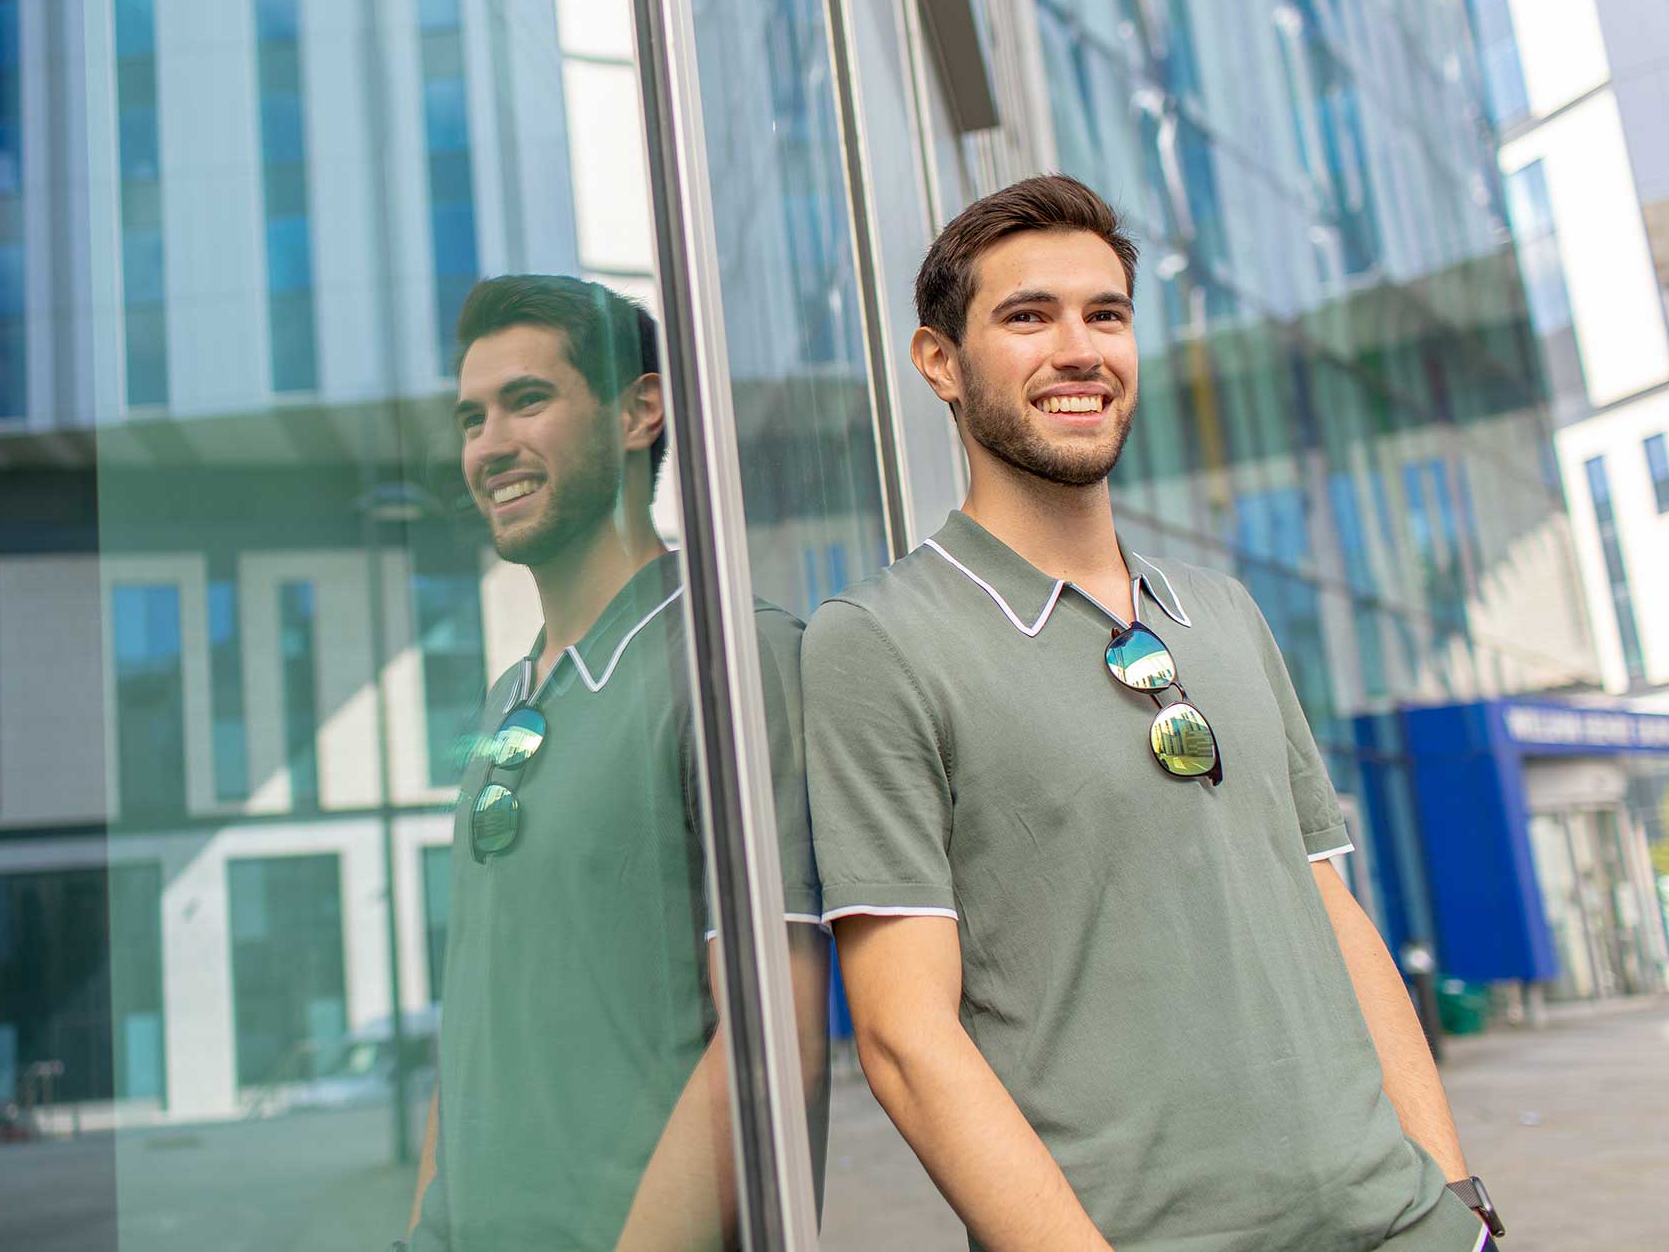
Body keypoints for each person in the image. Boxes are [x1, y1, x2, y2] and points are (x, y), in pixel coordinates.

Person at [801, 176, 1505, 1250]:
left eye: (1107, 315)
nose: (1078, 349)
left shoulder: (1224, 612)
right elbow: (905, 1039)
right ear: (940, 361)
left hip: (1405, 1225)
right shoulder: (877, 641)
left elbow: (1331, 908)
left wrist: (1458, 1201)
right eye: (1027, 316)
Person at [403, 274, 829, 1250]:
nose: (490, 444)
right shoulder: (505, 701)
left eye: (528, 400)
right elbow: (471, 1030)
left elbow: (772, 1039)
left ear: (640, 410)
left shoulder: (731, 657)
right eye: (472, 416)